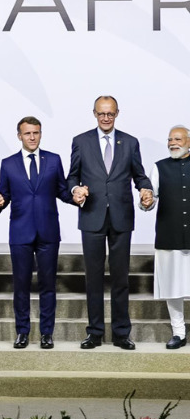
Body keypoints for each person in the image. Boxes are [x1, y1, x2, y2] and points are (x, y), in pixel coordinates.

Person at [67, 96, 153, 350]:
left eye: (111, 114)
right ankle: (94, 333)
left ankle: (121, 334)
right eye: (102, 114)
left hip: (121, 217)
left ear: (117, 114)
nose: (106, 118)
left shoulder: (130, 142)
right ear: (94, 113)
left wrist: (146, 190)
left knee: (121, 278)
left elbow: (139, 176)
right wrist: (75, 190)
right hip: (91, 217)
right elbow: (71, 176)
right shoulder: (80, 141)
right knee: (93, 279)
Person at [0, 117, 74, 350]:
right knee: (21, 285)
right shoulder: (8, 164)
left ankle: (47, 333)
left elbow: (62, 191)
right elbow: (4, 197)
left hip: (48, 232)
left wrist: (78, 195)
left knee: (48, 285)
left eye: (36, 132)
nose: (32, 137)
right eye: (27, 133)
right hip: (20, 233)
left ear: (41, 133)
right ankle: (22, 332)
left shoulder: (53, 160)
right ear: (19, 136)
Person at [140, 125, 190, 349]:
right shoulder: (159, 167)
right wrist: (145, 202)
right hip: (169, 237)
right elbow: (149, 200)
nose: (173, 143)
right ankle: (179, 332)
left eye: (178, 139)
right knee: (172, 287)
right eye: (170, 139)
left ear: (189, 141)